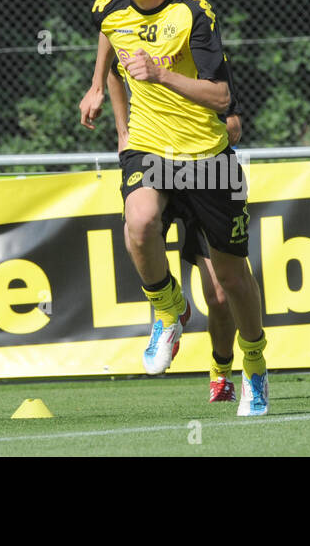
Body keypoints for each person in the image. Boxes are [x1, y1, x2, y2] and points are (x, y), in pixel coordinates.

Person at [78, 0, 268, 415]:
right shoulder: (112, 11)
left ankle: (253, 366)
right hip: (149, 148)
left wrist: (159, 73)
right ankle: (169, 309)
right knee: (138, 223)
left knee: (229, 282)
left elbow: (221, 95)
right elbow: (111, 34)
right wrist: (98, 84)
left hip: (206, 158)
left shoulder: (193, 13)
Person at [105, 61, 245, 403]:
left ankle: (222, 371)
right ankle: (171, 307)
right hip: (157, 165)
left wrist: (201, 130)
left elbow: (234, 125)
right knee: (138, 224)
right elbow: (112, 70)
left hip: (207, 173)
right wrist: (123, 131)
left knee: (220, 295)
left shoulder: (203, 51)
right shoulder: (137, 42)